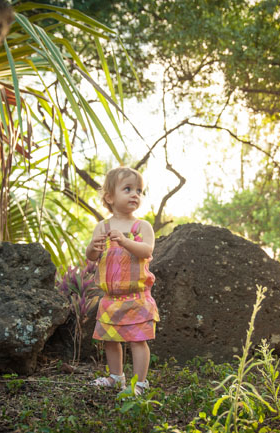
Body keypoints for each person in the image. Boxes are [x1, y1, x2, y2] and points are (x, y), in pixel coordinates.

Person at [86, 167, 159, 396]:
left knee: (138, 340)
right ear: (110, 197)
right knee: (110, 339)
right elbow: (93, 257)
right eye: (127, 189)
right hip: (110, 299)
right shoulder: (103, 227)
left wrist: (125, 241)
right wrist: (92, 248)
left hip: (136, 297)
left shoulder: (141, 227)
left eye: (139, 190)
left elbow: (146, 250)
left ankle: (140, 383)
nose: (135, 194)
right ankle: (116, 377)